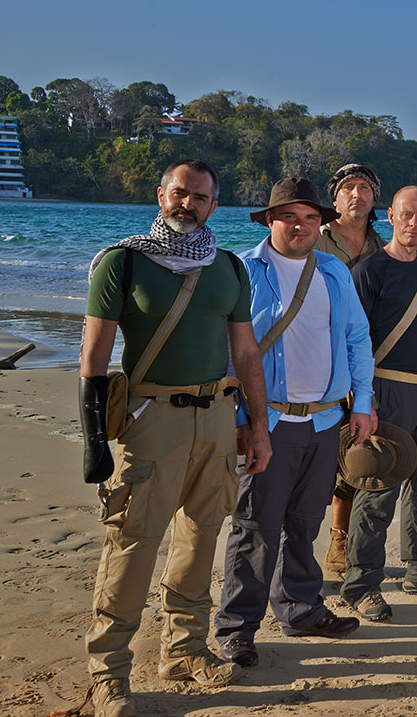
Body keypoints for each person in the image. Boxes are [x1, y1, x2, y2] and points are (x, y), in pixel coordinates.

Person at [78, 159, 271, 715]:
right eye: (180, 193)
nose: (189, 204)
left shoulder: (227, 267)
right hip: (151, 419)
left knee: (201, 537)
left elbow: (246, 353)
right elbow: (93, 361)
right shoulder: (122, 263)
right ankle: (108, 673)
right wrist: (95, 441)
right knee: (132, 543)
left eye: (200, 197)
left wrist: (258, 428)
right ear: (161, 194)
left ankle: (184, 650)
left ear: (215, 205)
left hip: (217, 418)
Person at [214, 178, 376, 668]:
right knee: (255, 527)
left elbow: (357, 337)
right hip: (269, 422)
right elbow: (227, 352)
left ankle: (301, 610)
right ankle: (237, 628)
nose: (301, 226)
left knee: (305, 523)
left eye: (310, 218)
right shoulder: (244, 270)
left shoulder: (333, 270)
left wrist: (363, 402)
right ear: (270, 220)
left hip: (325, 421)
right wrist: (243, 419)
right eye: (289, 217)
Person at [344, 186, 417, 620]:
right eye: (407, 214)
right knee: (377, 487)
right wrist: (362, 401)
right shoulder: (368, 271)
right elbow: (353, 340)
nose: (415, 223)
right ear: (391, 216)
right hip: (385, 390)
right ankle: (361, 584)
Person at [313, 163, 386, 577]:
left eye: (365, 188)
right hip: (318, 362)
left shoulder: (383, 247)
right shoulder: (314, 240)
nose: (357, 194)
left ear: (375, 199)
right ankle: (305, 540)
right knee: (318, 454)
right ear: (335, 198)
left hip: (366, 361)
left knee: (359, 451)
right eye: (348, 188)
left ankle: (342, 538)